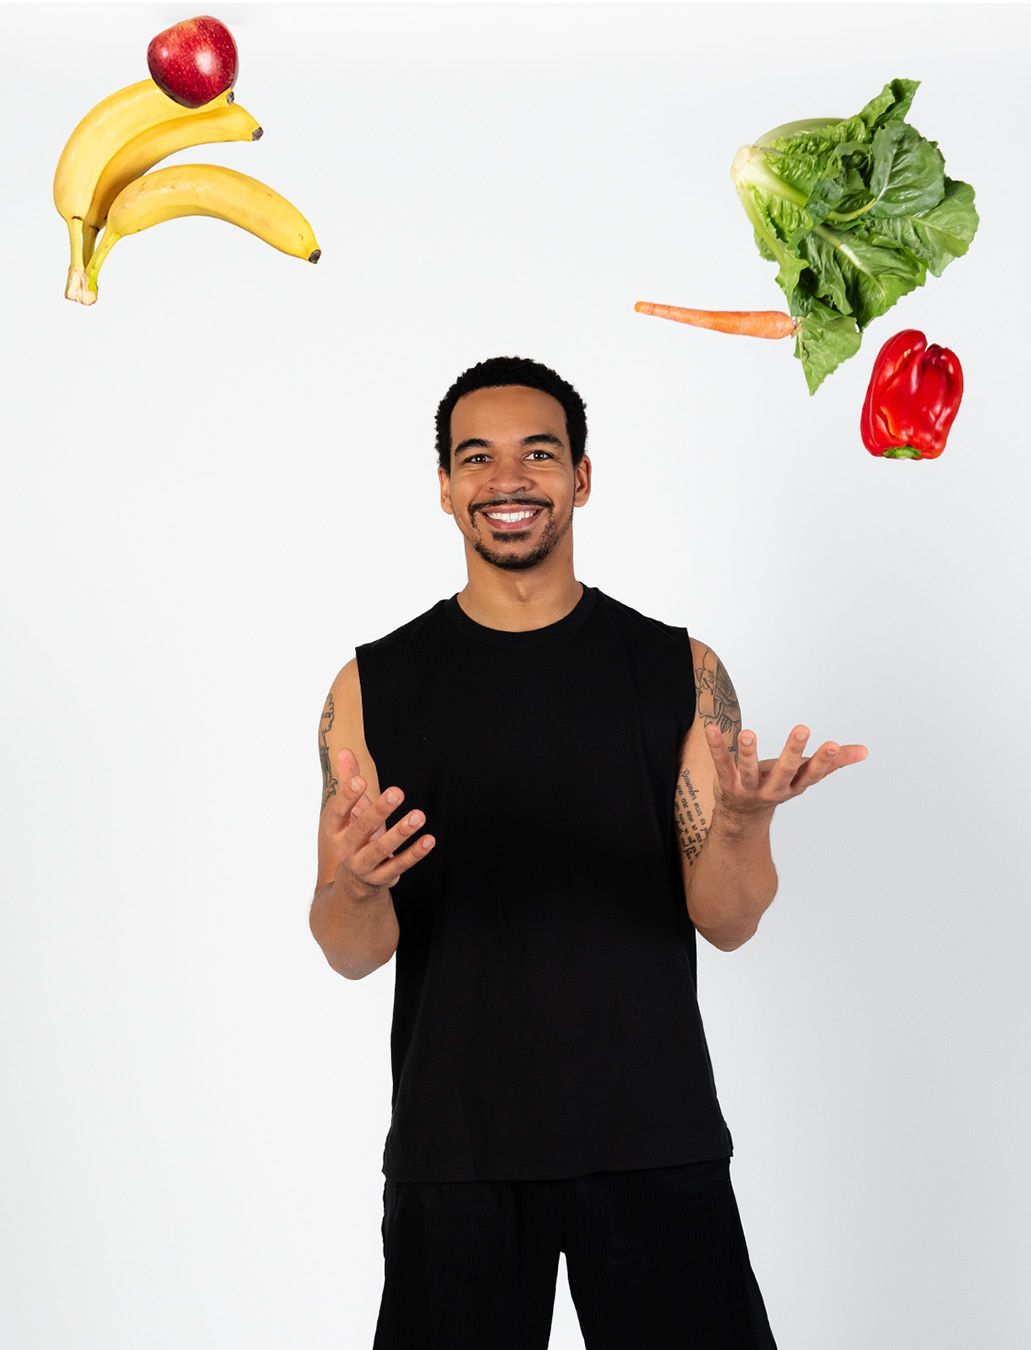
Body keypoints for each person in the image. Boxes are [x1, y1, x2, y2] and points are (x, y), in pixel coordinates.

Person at [309, 355, 867, 1348]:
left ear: (582, 477)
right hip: (457, 1149)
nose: (508, 479)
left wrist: (741, 824)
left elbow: (728, 921)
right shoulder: (371, 687)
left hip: (652, 1134)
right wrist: (354, 881)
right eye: (477, 457)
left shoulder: (678, 672)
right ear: (444, 487)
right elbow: (351, 948)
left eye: (540, 453)